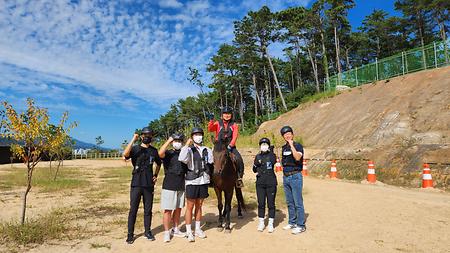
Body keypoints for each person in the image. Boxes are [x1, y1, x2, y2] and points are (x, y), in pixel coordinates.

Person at [123, 127, 161, 244]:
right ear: (141, 136)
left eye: (149, 135)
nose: (147, 137)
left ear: (152, 137)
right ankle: (130, 234)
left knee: (148, 210)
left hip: (148, 184)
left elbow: (159, 164)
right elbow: (125, 154)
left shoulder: (154, 151)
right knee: (133, 209)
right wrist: (133, 140)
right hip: (136, 183)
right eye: (145, 135)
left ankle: (147, 231)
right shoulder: (135, 149)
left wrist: (155, 174)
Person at [178, 127, 213, 242]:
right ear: (192, 137)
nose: (198, 136)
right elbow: (182, 158)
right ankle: (189, 231)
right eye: (196, 134)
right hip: (192, 181)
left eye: (200, 134)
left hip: (203, 181)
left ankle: (197, 229)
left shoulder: (207, 149)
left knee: (199, 205)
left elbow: (211, 162)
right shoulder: (188, 150)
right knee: (190, 206)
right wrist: (187, 145)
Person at [158, 133, 187, 243]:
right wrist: (169, 140)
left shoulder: (184, 153)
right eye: (175, 141)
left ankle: (176, 229)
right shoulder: (169, 153)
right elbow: (160, 153)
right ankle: (167, 232)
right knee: (168, 210)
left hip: (181, 184)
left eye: (179, 141)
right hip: (169, 184)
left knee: (179, 208)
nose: (177, 143)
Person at [207, 106, 244, 187]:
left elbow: (235, 136)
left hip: (230, 146)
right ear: (222, 115)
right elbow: (210, 129)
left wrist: (231, 145)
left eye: (228, 114)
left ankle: (239, 178)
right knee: (209, 160)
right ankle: (210, 179)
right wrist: (211, 120)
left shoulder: (234, 125)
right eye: (225, 113)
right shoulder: (217, 123)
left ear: (231, 115)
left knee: (238, 159)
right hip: (218, 147)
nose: (227, 115)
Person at [280, 126, 306, 235]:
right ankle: (292, 222)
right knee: (289, 202)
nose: (287, 135)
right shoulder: (283, 148)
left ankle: (301, 225)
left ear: (292, 134)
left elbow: (297, 158)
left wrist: (291, 145)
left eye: (289, 133)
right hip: (286, 177)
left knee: (297, 202)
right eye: (285, 134)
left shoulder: (298, 146)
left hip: (295, 176)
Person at [252, 137, 277, 233]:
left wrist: (270, 150)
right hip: (260, 183)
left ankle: (271, 223)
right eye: (262, 144)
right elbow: (254, 170)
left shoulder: (272, 155)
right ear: (259, 146)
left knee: (271, 204)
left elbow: (273, 161)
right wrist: (256, 164)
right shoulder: (257, 156)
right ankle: (261, 222)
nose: (264, 146)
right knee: (261, 203)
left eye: (266, 144)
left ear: (268, 146)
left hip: (271, 182)